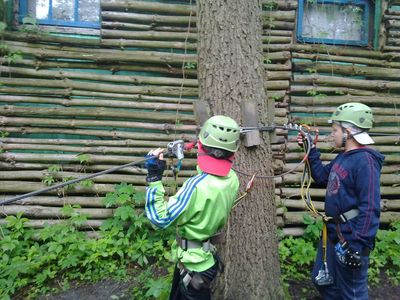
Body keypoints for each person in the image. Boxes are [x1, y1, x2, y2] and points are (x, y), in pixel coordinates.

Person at [144, 115, 241, 300]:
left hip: (193, 268)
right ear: (232, 152)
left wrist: (154, 178)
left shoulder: (195, 186)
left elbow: (159, 219)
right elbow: (211, 175)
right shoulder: (232, 179)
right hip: (203, 263)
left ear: (202, 147)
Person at [299, 102, 384, 299]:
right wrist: (310, 148)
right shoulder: (343, 157)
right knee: (323, 281)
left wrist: (356, 245)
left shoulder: (365, 161)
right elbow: (321, 177)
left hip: (351, 239)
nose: (332, 134)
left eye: (335, 130)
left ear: (348, 132)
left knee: (352, 294)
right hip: (333, 233)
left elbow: (370, 207)